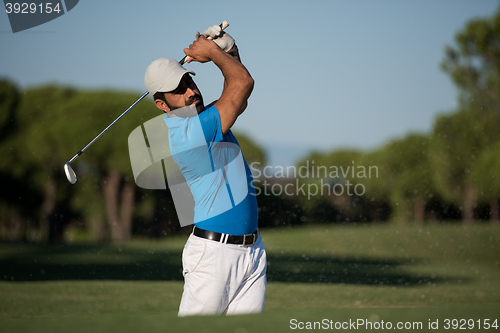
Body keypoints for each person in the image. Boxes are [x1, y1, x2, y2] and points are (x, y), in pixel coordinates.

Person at [144, 25, 266, 316]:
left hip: (252, 251)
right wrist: (213, 52)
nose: (191, 91)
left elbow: (239, 96)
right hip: (213, 256)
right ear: (162, 104)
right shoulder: (190, 132)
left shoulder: (207, 119)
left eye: (189, 82)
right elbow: (241, 84)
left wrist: (230, 51)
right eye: (178, 90)